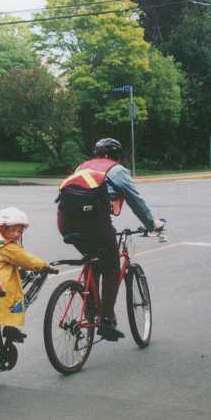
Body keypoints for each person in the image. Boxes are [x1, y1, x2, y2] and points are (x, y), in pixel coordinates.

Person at [56, 138, 164, 341]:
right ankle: (106, 319)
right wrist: (152, 224)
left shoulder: (82, 167)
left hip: (65, 222)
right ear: (116, 156)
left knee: (94, 260)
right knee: (112, 268)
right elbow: (136, 201)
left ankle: (91, 308)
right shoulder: (117, 170)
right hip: (94, 223)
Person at [0, 207, 50, 339]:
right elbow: (27, 260)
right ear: (2, 228)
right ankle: (10, 329)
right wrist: (44, 266)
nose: (17, 234)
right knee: (15, 299)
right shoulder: (7, 247)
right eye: (13, 230)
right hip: (0, 290)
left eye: (20, 231)